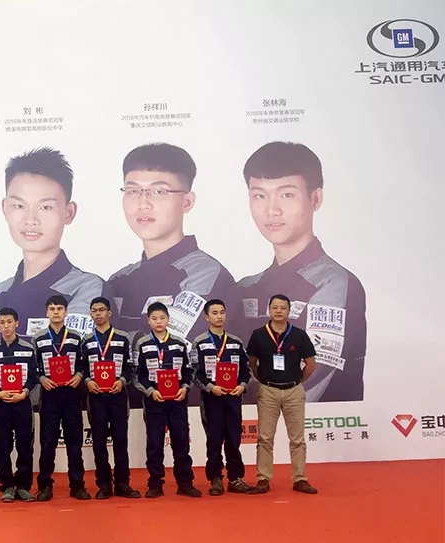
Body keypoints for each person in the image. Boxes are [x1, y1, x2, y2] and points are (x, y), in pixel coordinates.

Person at [104, 143, 238, 408]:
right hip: (124, 417)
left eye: (159, 191)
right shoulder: (118, 281)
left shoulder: (205, 275)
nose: (143, 203)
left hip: (184, 414)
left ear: (187, 201)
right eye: (133, 191)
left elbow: (167, 348)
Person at [237, 141, 366, 403]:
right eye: (259, 195)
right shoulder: (244, 288)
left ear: (315, 198)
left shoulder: (334, 284)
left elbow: (307, 379)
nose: (271, 210)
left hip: (313, 427)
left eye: (286, 195)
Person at [0, 147, 103, 343]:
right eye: (19, 205)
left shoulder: (87, 290)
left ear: (69, 212)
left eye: (45, 207)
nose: (31, 219)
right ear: (5, 208)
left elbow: (70, 353)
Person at [246, 294, 318, 495]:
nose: (278, 311)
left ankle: (300, 479)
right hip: (268, 390)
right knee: (264, 437)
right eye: (275, 307)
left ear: (289, 311)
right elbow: (251, 362)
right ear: (269, 310)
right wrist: (262, 380)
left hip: (293, 391)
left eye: (283, 308)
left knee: (297, 439)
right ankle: (263, 479)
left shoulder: (299, 335)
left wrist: (298, 381)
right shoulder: (259, 335)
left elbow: (311, 365)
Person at [132, 302, 202, 498]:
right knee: (155, 444)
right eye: (154, 318)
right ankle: (155, 484)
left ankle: (185, 483)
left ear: (168, 320)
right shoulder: (142, 344)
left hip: (177, 401)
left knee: (181, 442)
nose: (159, 322)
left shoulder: (179, 343)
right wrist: (150, 391)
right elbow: (137, 374)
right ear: (148, 321)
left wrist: (184, 388)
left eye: (162, 318)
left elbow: (189, 370)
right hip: (154, 401)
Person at [190, 300, 254, 496]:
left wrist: (242, 386)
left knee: (234, 439)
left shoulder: (236, 342)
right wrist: (211, 387)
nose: (219, 316)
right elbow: (194, 373)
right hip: (212, 399)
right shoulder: (199, 342)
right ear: (206, 317)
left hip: (233, 397)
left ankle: (235, 478)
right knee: (214, 440)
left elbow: (247, 370)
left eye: (222, 312)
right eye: (215, 313)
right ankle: (215, 478)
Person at [81, 297, 141, 499]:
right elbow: (81, 368)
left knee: (120, 440)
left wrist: (122, 381)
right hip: (96, 396)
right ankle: (104, 484)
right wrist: (88, 381)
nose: (98, 313)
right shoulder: (86, 340)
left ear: (109, 312)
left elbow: (130, 367)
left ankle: (123, 483)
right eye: (94, 310)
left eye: (101, 310)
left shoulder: (122, 338)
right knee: (98, 442)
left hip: (117, 395)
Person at [33, 295, 90, 501]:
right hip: (49, 395)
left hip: (71, 394)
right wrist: (42, 378)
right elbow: (34, 367)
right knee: (48, 442)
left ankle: (77, 485)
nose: (56, 312)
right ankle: (45, 486)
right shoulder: (38, 338)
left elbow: (83, 364)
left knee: (74, 442)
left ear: (66, 312)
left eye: (59, 308)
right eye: (52, 309)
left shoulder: (75, 337)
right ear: (46, 312)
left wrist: (79, 376)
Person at [0, 307, 38, 503]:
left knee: (25, 446)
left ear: (17, 323)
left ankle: (23, 486)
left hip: (22, 403)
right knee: (2, 446)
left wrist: (24, 393)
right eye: (2, 323)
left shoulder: (28, 349)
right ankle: (6, 485)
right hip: (2, 404)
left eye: (9, 322)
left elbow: (33, 376)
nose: (6, 326)